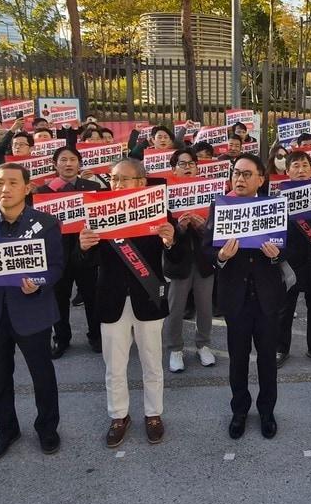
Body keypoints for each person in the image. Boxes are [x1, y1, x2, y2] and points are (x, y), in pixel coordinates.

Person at [0, 163, 65, 462]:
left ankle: (47, 427)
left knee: (42, 375)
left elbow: (56, 266)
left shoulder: (45, 224)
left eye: (12, 183)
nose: (4, 189)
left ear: (27, 188)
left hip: (32, 312)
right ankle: (6, 430)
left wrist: (39, 283)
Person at [80, 158, 181, 447]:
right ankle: (118, 416)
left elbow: (176, 259)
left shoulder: (159, 212)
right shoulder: (97, 214)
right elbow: (85, 263)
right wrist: (84, 248)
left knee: (152, 362)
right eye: (113, 179)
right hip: (111, 298)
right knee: (114, 365)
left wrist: (171, 240)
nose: (118, 184)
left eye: (125, 179)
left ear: (141, 182)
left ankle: (153, 414)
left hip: (147, 296)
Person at [208, 153, 289, 439]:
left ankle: (267, 411)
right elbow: (207, 250)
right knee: (238, 360)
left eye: (246, 174)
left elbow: (288, 248)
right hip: (235, 298)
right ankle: (239, 410)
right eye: (236, 173)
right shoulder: (220, 208)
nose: (239, 179)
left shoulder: (274, 208)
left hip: (267, 298)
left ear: (260, 179)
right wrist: (220, 256)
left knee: (267, 360)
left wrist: (277, 256)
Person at [35, 145, 102, 358]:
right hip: (56, 255)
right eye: (63, 160)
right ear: (55, 165)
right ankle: (61, 338)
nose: (68, 164)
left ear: (79, 164)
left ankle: (96, 336)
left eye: (73, 159)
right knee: (58, 299)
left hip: (86, 252)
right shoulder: (43, 192)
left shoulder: (92, 187)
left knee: (92, 296)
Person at [278, 150, 311, 368]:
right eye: (296, 166)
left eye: (305, 166)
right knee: (285, 308)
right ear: (287, 170)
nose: (301, 170)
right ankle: (281, 348)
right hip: (290, 258)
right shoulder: (280, 197)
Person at [165, 149, 216, 373]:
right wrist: (180, 229)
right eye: (182, 163)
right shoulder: (166, 194)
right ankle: (175, 349)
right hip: (178, 261)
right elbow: (162, 232)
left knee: (205, 307)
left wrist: (202, 227)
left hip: (204, 261)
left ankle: (203, 344)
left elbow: (218, 229)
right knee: (175, 308)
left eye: (191, 163)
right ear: (173, 168)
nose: (187, 167)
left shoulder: (210, 192)